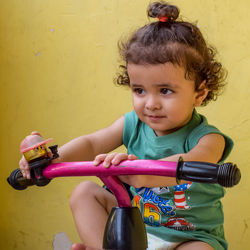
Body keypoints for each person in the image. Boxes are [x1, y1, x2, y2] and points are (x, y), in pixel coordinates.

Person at [19, 1, 234, 250]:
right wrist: (53, 159)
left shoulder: (208, 139)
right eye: (139, 90)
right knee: (84, 192)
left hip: (190, 236)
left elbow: (196, 162)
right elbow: (92, 143)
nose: (150, 103)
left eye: (165, 90)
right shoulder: (132, 123)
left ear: (199, 93)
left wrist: (139, 173)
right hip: (136, 226)